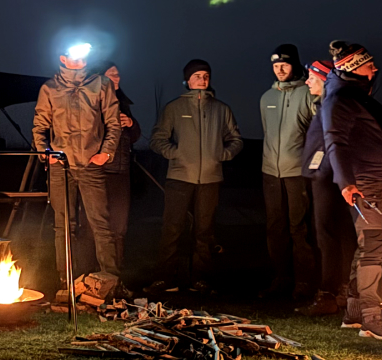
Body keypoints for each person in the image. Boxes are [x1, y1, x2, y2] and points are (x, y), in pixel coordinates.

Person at [321, 41, 382, 341]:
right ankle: (371, 318)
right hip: (365, 183)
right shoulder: (341, 98)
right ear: (354, 68)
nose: (375, 68)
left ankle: (354, 314)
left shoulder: (356, 96)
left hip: (373, 179)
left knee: (367, 245)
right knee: (373, 247)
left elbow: (362, 137)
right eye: (369, 64)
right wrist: (347, 182)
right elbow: (335, 142)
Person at [31, 44, 124, 291]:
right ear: (63, 58)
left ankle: (110, 280)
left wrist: (105, 153)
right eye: (74, 53)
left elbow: (113, 123)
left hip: (91, 164)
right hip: (60, 166)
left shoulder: (101, 84)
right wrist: (46, 154)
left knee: (100, 223)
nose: (80, 58)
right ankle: (67, 282)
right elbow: (39, 126)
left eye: (83, 53)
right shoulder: (50, 88)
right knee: (63, 225)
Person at [146, 59, 243, 294]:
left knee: (204, 230)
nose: (202, 79)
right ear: (188, 80)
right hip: (179, 177)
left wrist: (223, 153)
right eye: (197, 75)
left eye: (206, 75)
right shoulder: (174, 108)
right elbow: (157, 139)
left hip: (210, 178)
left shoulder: (221, 109)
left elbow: (236, 139)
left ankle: (201, 280)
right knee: (172, 228)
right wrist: (175, 153)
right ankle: (165, 278)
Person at [294, 60, 357, 317]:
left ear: (324, 78)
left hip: (330, 179)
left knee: (329, 235)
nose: (307, 82)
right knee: (338, 234)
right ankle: (342, 291)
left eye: (312, 77)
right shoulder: (326, 105)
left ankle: (331, 294)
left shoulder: (332, 105)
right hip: (329, 177)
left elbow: (335, 143)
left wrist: (320, 172)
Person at [258, 45, 315, 299]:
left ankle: (304, 281)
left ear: (295, 65)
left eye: (285, 64)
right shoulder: (266, 98)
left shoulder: (307, 94)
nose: (280, 69)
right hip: (271, 171)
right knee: (275, 227)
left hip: (297, 172)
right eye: (275, 65)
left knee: (298, 228)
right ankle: (281, 278)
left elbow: (316, 132)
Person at [99, 63, 141, 278]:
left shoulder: (123, 102)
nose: (117, 77)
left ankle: (115, 274)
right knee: (97, 224)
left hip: (121, 170)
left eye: (118, 74)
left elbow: (135, 136)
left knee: (119, 224)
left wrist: (130, 123)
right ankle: (94, 273)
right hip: (98, 171)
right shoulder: (93, 101)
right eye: (111, 74)